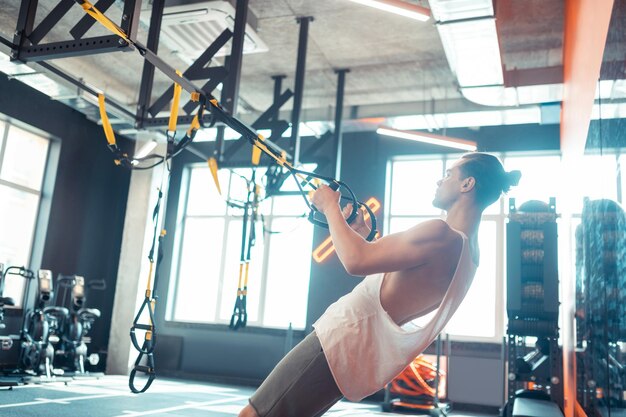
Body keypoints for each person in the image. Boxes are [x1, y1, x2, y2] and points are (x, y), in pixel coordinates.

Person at [238, 152, 521, 417]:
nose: (440, 180)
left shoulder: (441, 233)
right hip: (356, 354)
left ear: (467, 184)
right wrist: (360, 235)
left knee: (253, 414)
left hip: (338, 340)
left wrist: (329, 207)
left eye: (449, 174)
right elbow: (398, 286)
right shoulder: (469, 252)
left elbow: (356, 261)